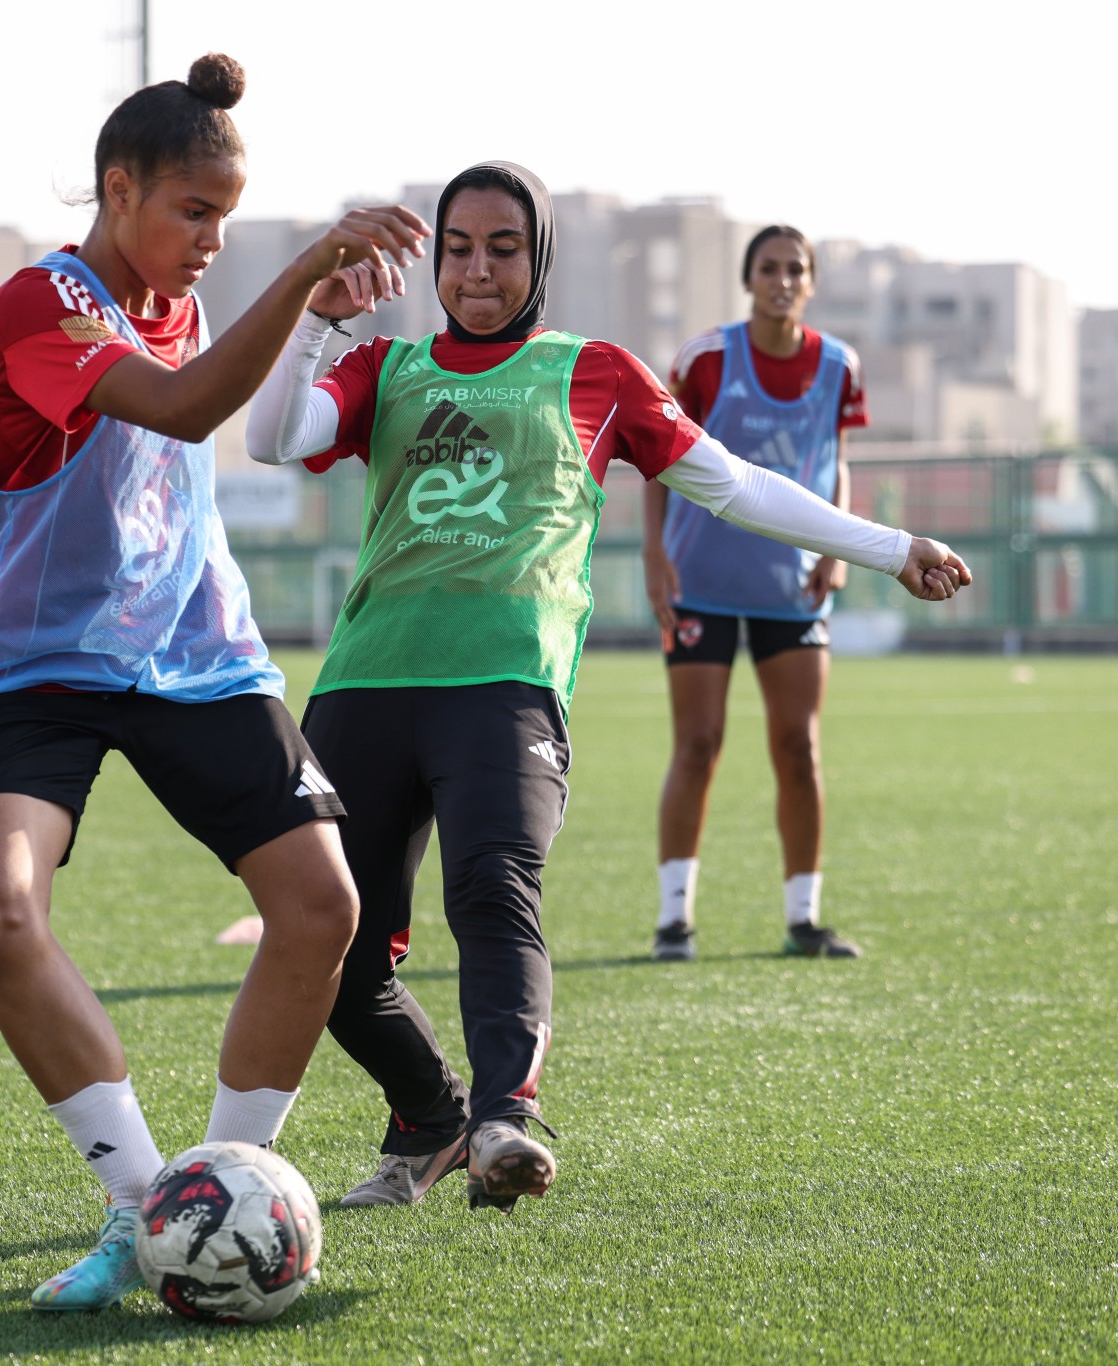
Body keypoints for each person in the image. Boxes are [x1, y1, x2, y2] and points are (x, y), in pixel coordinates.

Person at [246, 164, 969, 1213]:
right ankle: (427, 1110)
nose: (478, 268)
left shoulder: (593, 372)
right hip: (364, 682)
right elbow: (270, 439)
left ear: (536, 258)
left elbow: (731, 483)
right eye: (457, 247)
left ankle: (503, 1118)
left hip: (504, 685)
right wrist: (316, 318)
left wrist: (889, 546)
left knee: (493, 889)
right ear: (433, 260)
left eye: (502, 246)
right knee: (329, 942)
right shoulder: (386, 367)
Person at [0, 53, 427, 1311]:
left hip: (194, 653)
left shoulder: (177, 296)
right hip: (35, 667)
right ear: (118, 190)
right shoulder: (43, 305)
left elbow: (229, 396)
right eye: (192, 213)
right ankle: (143, 1203)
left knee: (322, 905)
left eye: (226, 216)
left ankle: (222, 1190)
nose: (211, 240)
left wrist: (317, 304)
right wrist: (308, 267)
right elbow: (192, 407)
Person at [643, 225, 874, 965]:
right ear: (749, 280)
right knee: (699, 743)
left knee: (799, 748)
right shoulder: (707, 359)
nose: (781, 280)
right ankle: (673, 919)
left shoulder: (840, 366)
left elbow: (837, 459)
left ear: (810, 283)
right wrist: (655, 554)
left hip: (794, 585)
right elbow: (656, 455)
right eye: (768, 268)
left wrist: (837, 550)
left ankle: (804, 918)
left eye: (795, 269)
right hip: (701, 583)